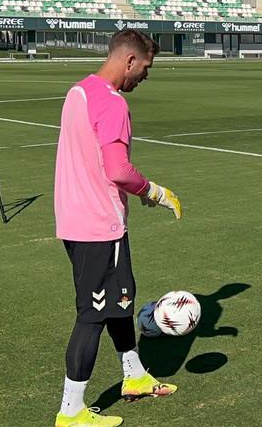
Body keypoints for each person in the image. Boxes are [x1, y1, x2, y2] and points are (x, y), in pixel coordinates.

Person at [53, 29, 183, 427]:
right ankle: (71, 410)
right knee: (92, 316)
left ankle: (135, 376)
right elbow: (118, 170)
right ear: (129, 61)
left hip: (75, 219)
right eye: (145, 68)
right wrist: (155, 192)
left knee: (120, 301)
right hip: (99, 225)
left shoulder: (79, 92)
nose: (144, 76)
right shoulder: (112, 103)